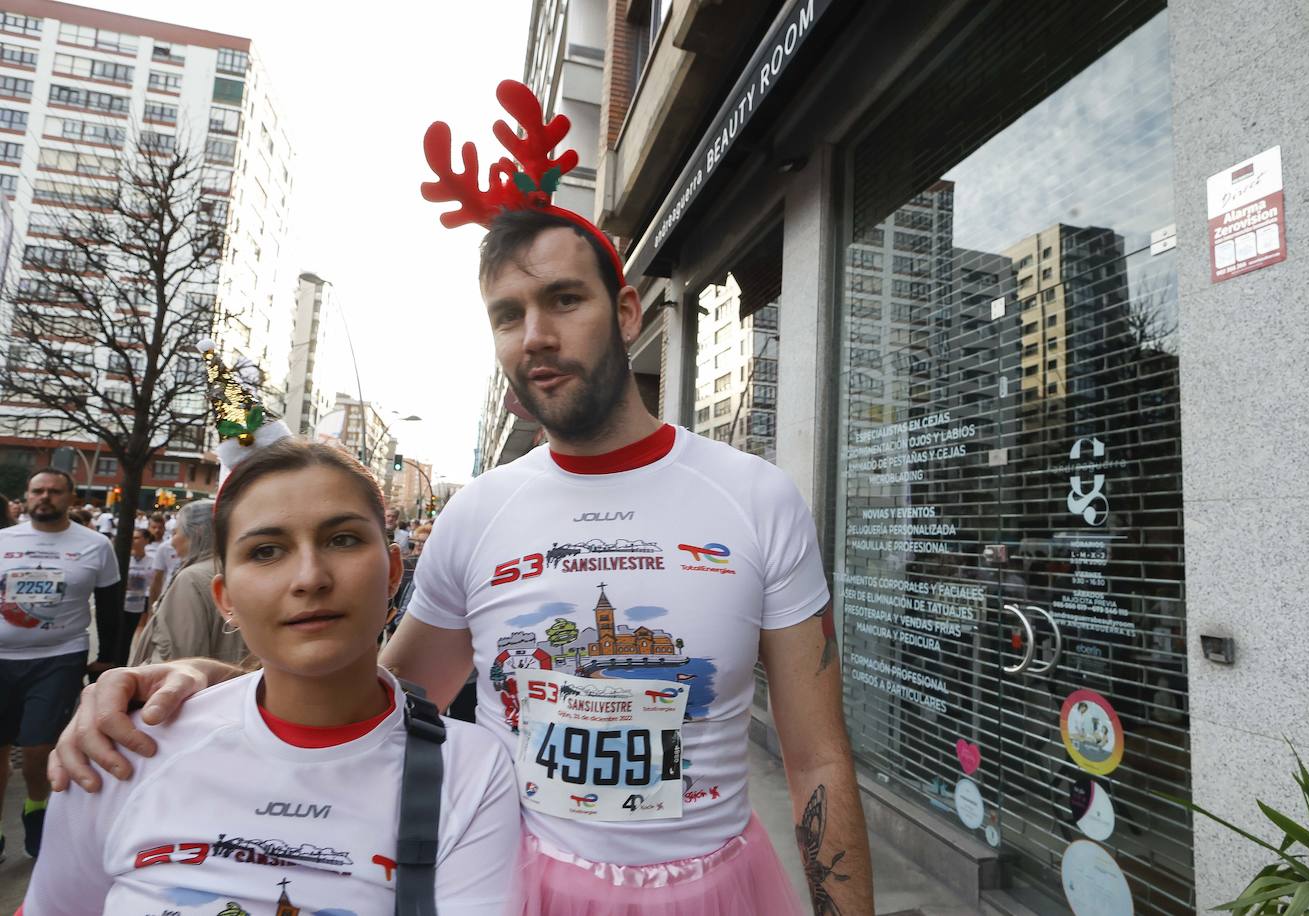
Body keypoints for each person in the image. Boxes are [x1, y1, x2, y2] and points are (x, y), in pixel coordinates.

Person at [49, 85, 874, 914]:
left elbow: (817, 761)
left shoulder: (755, 498)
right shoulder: (478, 514)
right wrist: (203, 686)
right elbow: (381, 696)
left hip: (718, 890)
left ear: (627, 312)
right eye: (506, 316)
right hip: (515, 886)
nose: (535, 338)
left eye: (563, 300)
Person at [24, 438, 520, 913]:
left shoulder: (471, 774)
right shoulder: (121, 748)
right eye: (265, 551)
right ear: (226, 598)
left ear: (394, 570)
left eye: (342, 539)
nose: (309, 577)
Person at [0, 468, 120, 860]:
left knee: (37, 747)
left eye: (54, 491)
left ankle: (36, 807)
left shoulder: (95, 545)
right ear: (27, 495)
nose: (44, 497)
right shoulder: (4, 540)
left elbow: (108, 603)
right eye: (38, 491)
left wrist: (108, 657)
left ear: (70, 497)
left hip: (58, 657)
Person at [130, 501, 244, 666]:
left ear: (195, 533)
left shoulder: (190, 579)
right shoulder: (239, 569)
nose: (172, 541)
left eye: (176, 532)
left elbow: (177, 657)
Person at [117, 528, 156, 662]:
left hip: (137, 605)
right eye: (132, 538)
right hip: (120, 605)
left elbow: (154, 584)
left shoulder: (151, 561)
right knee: (118, 638)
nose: (133, 541)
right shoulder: (123, 559)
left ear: (146, 540)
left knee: (126, 638)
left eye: (137, 538)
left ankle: (122, 664)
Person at [146, 511, 182, 608]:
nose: (157, 530)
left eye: (160, 527)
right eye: (154, 527)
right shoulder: (143, 544)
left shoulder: (170, 546)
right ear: (148, 528)